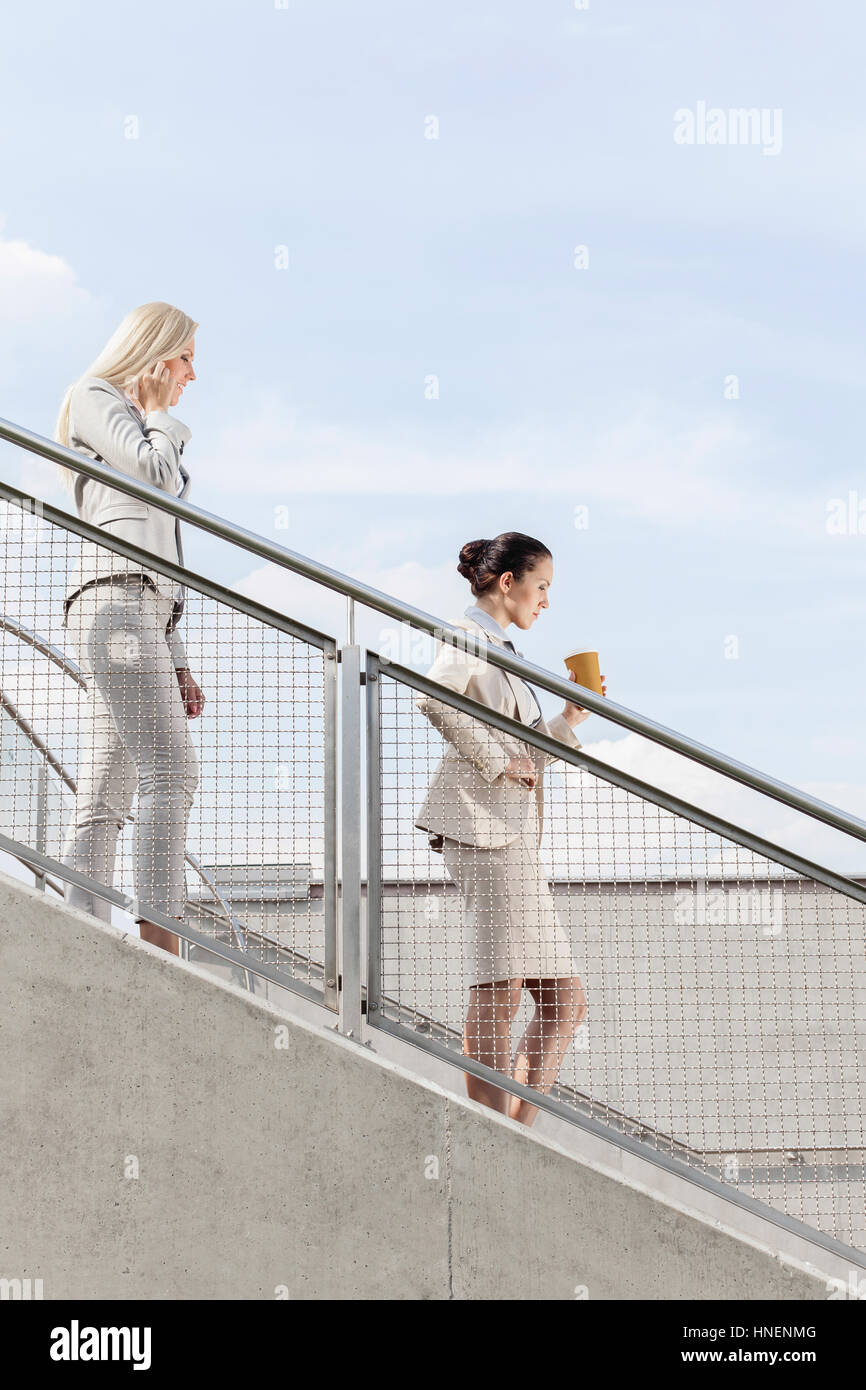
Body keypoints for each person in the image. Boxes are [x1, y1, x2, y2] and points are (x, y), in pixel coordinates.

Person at [414, 532, 606, 1126]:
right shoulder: (468, 634)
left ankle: (513, 1134)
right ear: (508, 582)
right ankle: (492, 1131)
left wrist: (569, 720)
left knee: (563, 1001)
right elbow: (433, 698)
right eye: (541, 585)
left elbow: (520, 760)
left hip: (512, 833)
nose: (545, 600)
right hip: (482, 832)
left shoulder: (504, 651)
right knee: (501, 984)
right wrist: (499, 762)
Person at [53, 301, 203, 955]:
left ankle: (77, 929)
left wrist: (178, 657)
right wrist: (163, 419)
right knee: (172, 773)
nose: (192, 376)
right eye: (187, 359)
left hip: (140, 610)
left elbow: (159, 555)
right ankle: (160, 942)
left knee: (108, 786)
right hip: (115, 604)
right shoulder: (94, 396)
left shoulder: (140, 426)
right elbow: (153, 477)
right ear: (155, 352)